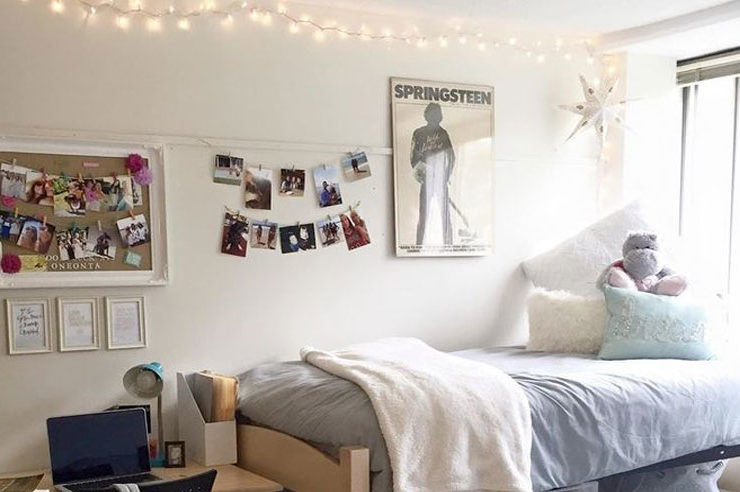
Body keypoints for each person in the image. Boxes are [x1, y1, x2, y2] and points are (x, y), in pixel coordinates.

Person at [410, 102, 455, 246]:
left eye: (436, 114)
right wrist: (423, 175)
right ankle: (419, 246)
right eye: (432, 114)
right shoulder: (418, 133)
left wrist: (445, 177)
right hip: (428, 182)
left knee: (444, 216)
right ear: (427, 115)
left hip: (439, 181)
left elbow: (451, 157)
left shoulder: (443, 134)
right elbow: (414, 159)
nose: (434, 117)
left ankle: (448, 245)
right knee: (425, 215)